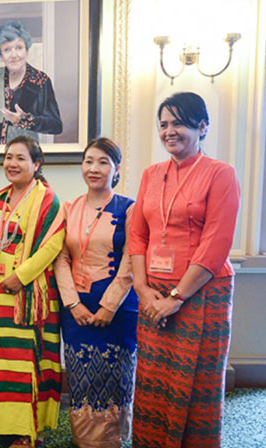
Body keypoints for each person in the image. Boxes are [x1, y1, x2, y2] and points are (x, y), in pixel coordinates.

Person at [129, 92, 241, 448]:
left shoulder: (221, 174)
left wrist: (176, 297)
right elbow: (137, 236)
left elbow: (216, 243)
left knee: (194, 385)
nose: (169, 131)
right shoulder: (151, 174)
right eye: (163, 124)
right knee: (152, 381)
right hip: (153, 295)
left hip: (201, 294)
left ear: (202, 126)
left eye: (178, 123)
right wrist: (144, 291)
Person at [0, 135, 65, 448]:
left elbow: (53, 244)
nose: (12, 163)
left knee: (29, 361)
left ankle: (30, 431)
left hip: (30, 295)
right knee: (4, 361)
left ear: (36, 164)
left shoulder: (48, 199)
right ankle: (7, 425)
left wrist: (21, 277)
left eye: (21, 158)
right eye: (9, 156)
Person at [53, 138, 138, 448]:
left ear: (116, 169)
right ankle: (84, 439)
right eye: (89, 161)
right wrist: (73, 303)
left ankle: (114, 439)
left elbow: (131, 260)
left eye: (103, 162)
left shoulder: (129, 208)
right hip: (76, 307)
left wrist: (108, 307)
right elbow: (60, 259)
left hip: (118, 309)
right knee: (81, 375)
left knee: (115, 374)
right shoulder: (69, 208)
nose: (94, 168)